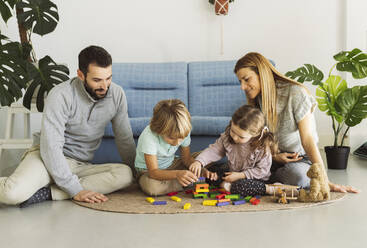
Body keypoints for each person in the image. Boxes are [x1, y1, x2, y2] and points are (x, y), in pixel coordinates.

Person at [0, 45, 136, 207]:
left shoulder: (117, 94)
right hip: (45, 158)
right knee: (11, 194)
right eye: (97, 80)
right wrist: (75, 190)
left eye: (108, 78)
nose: (105, 87)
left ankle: (50, 193)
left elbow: (124, 139)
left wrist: (138, 173)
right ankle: (30, 183)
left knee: (126, 175)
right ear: (80, 75)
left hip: (80, 166)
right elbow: (51, 146)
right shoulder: (61, 95)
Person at [232, 52, 359, 193]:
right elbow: (256, 142)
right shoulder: (257, 101)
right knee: (231, 166)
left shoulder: (295, 93)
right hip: (270, 160)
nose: (242, 87)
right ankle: (267, 181)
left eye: (246, 79)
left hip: (299, 160)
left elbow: (308, 140)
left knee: (297, 176)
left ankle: (263, 181)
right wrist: (274, 157)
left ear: (261, 73)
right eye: (240, 82)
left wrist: (325, 180)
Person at [189, 105, 285, 197]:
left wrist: (240, 175)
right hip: (234, 172)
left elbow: (262, 171)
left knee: (239, 186)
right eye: (233, 131)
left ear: (255, 134)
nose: (234, 137)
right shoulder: (227, 137)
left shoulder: (262, 147)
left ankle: (269, 188)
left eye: (241, 137)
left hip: (255, 179)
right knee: (211, 172)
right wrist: (199, 161)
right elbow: (214, 150)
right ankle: (226, 184)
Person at [135, 99, 199, 196]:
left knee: (203, 157)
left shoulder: (183, 129)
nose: (177, 142)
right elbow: (153, 172)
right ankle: (189, 182)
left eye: (181, 138)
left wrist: (200, 168)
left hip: (172, 164)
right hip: (148, 171)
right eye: (171, 138)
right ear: (159, 130)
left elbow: (186, 158)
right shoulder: (149, 136)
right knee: (153, 188)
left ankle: (193, 178)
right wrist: (178, 174)